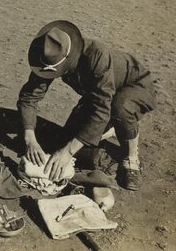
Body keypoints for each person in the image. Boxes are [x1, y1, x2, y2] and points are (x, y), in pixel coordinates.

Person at [17, 21, 157, 191]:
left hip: (134, 86)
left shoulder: (97, 55)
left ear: (68, 58)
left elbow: (101, 110)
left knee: (121, 108)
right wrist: (30, 138)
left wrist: (67, 152)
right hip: (98, 95)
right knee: (63, 141)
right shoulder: (49, 54)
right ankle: (111, 127)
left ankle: (131, 157)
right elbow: (29, 97)